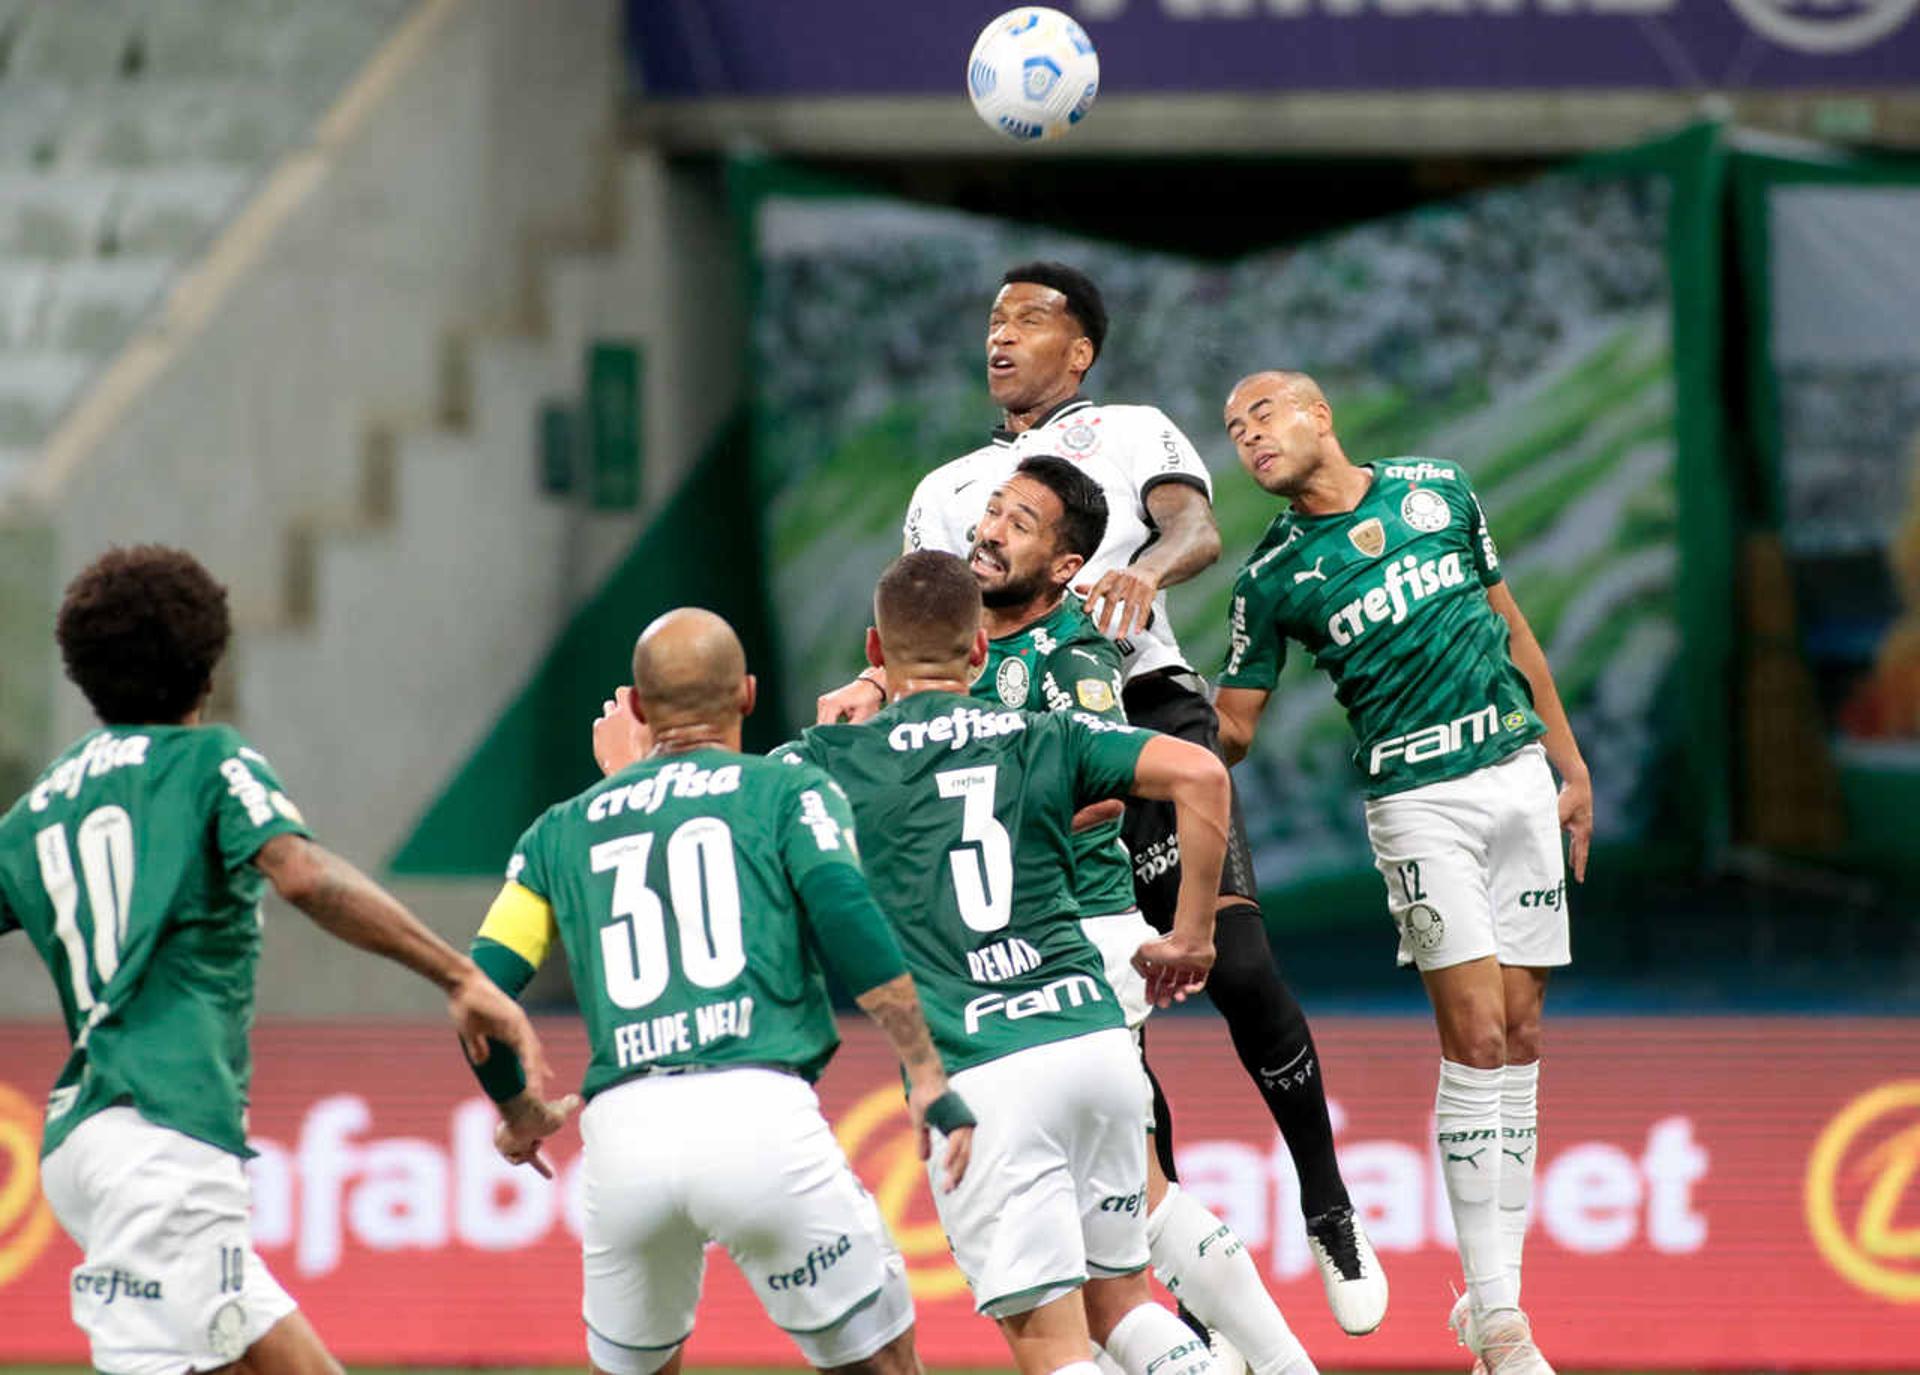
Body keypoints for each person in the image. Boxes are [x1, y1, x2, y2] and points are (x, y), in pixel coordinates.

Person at [815, 262, 1383, 1336]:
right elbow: (924, 622)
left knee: (1240, 963)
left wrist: (1147, 579)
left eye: (1029, 318)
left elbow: (1195, 532)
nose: (1001, 334)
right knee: (1105, 1036)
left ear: (1080, 351)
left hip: (1140, 709)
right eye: (991, 318)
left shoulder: (1132, 431)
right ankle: (1172, 1271)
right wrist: (874, 678)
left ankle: (1328, 1201)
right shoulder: (943, 490)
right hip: (1013, 755)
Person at [0, 545, 548, 1375]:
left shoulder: (38, 807)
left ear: (83, 674)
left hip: (87, 1139)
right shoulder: (211, 764)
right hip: (165, 1135)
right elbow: (301, 871)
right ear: (208, 670)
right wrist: (460, 974)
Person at [463, 607, 973, 1375]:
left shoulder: (556, 832)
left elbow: (481, 989)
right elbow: (848, 918)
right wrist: (926, 1069)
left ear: (636, 707)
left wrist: (516, 1108)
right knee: (884, 1365)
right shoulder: (790, 790)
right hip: (757, 1119)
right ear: (748, 695)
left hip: (623, 1140)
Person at [1213, 372, 1595, 1375]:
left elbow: (1511, 626)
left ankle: (1490, 1304)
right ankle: (1505, 1324)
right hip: (1417, 803)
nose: (1248, 437)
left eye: (1263, 415)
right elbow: (1234, 728)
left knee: (1520, 1032)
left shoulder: (1439, 488)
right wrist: (1146, 720)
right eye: (1233, 431)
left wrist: (1571, 764)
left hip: (1516, 773)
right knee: (1472, 1034)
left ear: (1319, 415)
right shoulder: (1272, 578)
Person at [772, 550, 1230, 1375]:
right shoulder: (1046, 734)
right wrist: (1194, 932)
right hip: (1094, 1047)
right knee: (1123, 1305)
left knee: (1051, 1346)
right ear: (980, 651)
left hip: (981, 1074)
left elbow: (727, 803)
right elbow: (1200, 770)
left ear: (875, 651)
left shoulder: (832, 759)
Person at [968, 455, 1314, 1375]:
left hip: (1076, 939)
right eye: (992, 510)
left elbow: (1106, 793)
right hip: (1030, 956)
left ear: (1066, 565)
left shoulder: (1072, 652)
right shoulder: (974, 653)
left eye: (1021, 522)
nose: (991, 529)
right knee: (1111, 1235)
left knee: (1128, 1224)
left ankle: (1282, 1366)